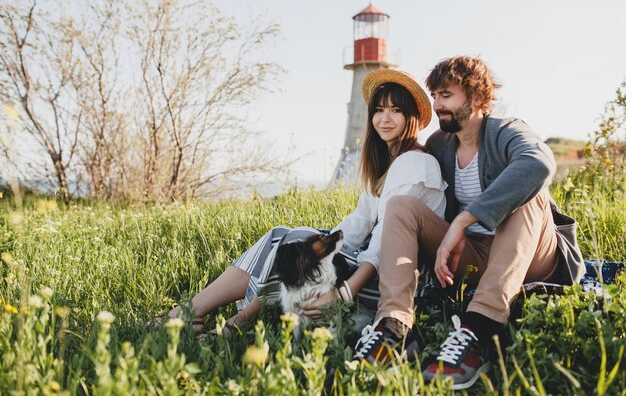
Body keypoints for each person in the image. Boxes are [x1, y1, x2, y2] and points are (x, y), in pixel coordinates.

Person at [353, 56, 584, 390]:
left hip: (532, 255)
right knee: (402, 206)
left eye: (446, 95)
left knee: (528, 193)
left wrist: (465, 218)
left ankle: (477, 332)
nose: (437, 104)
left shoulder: (505, 131)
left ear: (476, 97)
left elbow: (539, 163)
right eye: (434, 95)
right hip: (474, 256)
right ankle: (394, 329)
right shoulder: (439, 145)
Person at [156, 69, 448, 335]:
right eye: (379, 110)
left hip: (403, 285)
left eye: (396, 111)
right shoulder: (389, 165)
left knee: (293, 240)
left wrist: (343, 292)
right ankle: (202, 313)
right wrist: (319, 245)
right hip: (372, 267)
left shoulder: (414, 164)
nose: (385, 118)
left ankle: (229, 320)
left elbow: (383, 243)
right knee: (284, 235)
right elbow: (356, 226)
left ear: (410, 118)